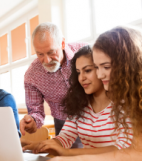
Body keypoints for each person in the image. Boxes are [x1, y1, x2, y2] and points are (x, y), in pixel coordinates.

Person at [49, 26, 142, 161]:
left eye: (106, 67)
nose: (100, 74)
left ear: (128, 65)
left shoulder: (129, 103)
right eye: (97, 67)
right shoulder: (133, 99)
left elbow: (129, 153)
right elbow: (132, 152)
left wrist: (67, 156)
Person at [22, 45, 132, 156]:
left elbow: (123, 148)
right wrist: (38, 145)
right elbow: (64, 138)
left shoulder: (125, 105)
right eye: (78, 72)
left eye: (87, 70)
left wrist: (68, 152)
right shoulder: (80, 104)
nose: (81, 78)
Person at [21, 22, 86, 148]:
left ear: (62, 43)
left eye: (51, 52)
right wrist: (32, 121)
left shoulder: (84, 52)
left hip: (96, 118)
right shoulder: (31, 75)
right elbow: (35, 111)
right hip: (64, 123)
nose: (47, 60)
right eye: (40, 54)